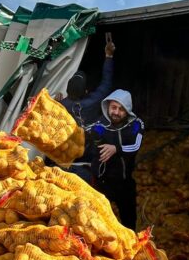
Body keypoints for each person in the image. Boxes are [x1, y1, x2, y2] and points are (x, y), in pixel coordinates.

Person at [59, 39, 116, 182]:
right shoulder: (93, 100)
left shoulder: (61, 105)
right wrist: (108, 56)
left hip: (68, 152)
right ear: (86, 91)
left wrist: (56, 101)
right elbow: (106, 83)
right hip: (89, 149)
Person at [89, 89, 143, 230]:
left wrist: (116, 148)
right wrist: (94, 137)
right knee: (98, 223)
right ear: (108, 107)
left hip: (125, 182)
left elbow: (135, 146)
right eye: (114, 107)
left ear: (128, 111)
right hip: (103, 182)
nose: (116, 112)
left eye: (121, 109)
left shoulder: (136, 125)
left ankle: (130, 248)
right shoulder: (100, 124)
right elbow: (95, 136)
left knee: (129, 222)